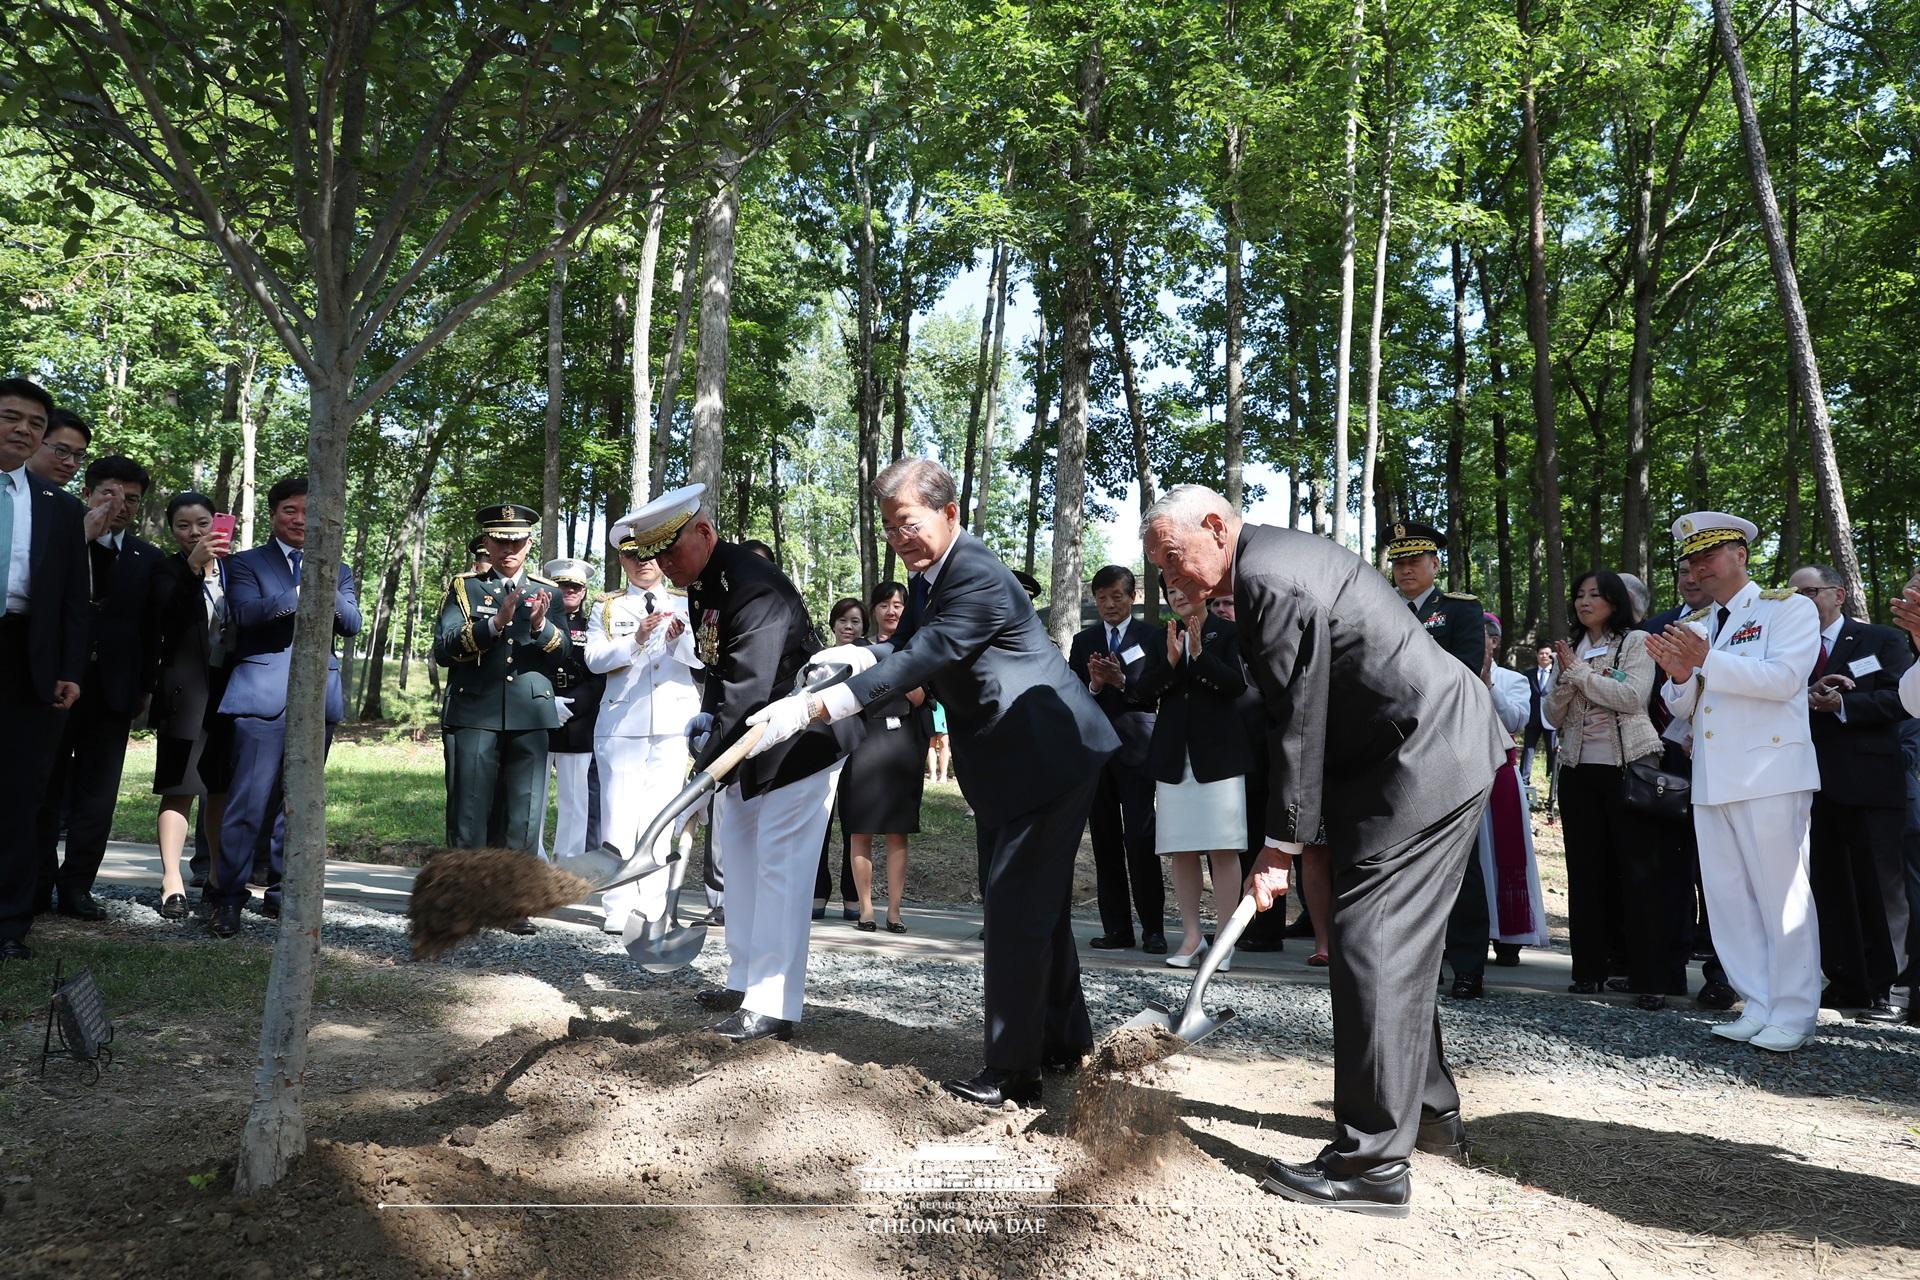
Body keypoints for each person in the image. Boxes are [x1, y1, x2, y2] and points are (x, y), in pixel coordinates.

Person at [1143, 484, 1506, 1216]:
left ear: (1216, 526)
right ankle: (1428, 1116)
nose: (1169, 579)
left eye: (1175, 558)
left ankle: (1373, 1167)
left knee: (1370, 941)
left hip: (1426, 757)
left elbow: (1298, 720)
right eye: (1159, 569)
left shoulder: (1270, 577)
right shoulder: (1260, 571)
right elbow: (1287, 709)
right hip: (1397, 761)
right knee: (1378, 944)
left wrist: (1278, 845)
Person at [747, 458, 1118, 1104]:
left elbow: (929, 654)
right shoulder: (928, 578)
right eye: (890, 529)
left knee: (1013, 907)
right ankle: (1062, 1040)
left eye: (909, 524)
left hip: (1045, 755)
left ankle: (1013, 1073)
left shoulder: (975, 574)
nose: (900, 540)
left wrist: (825, 703)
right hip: (1012, 761)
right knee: (1037, 910)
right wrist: (858, 655)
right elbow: (906, 644)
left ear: (950, 514)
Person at [638, 484, 850, 1044]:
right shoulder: (706, 583)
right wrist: (706, 719)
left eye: (670, 552)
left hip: (800, 742)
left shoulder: (754, 589)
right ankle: (743, 981)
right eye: (654, 556)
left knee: (779, 870)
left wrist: (700, 779)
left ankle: (774, 1005)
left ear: (704, 534)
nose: (663, 565)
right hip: (751, 741)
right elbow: (719, 669)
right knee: (742, 862)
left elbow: (750, 691)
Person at [1647, 511, 1821, 1052]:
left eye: (1708, 555)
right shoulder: (1702, 624)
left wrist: (1706, 661)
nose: (1698, 568)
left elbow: (1785, 680)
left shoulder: (1787, 608)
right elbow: (1684, 704)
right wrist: (1679, 676)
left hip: (1769, 771)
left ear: (1740, 556)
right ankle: (1758, 1002)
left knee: (1781, 896)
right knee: (1729, 899)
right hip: (1714, 776)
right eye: (1691, 560)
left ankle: (1794, 1012)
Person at [207, 475, 361, 937]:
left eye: (309, 512)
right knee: (247, 803)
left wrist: (323, 577)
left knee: (296, 806)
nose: (299, 520)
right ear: (274, 514)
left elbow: (351, 623)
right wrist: (299, 593)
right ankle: (228, 896)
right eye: (290, 510)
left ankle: (282, 896)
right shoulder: (245, 563)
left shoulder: (341, 568)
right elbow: (246, 614)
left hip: (318, 702)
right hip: (261, 697)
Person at [33, 455, 166, 919]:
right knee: (44, 787)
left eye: (132, 499)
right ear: (89, 492)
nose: (121, 505)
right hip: (52, 686)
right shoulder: (59, 541)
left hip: (114, 692)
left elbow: (152, 633)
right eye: (110, 493)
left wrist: (144, 688)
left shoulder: (147, 558)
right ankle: (36, 883)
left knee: (97, 794)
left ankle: (77, 888)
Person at [1545, 571, 1678, 1008]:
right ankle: (1588, 971)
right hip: (1579, 770)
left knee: (1639, 874)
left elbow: (1633, 698)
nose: (1585, 602)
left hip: (1628, 769)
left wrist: (1580, 676)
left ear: (1615, 601)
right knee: (1586, 873)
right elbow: (1551, 712)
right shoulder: (1573, 648)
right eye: (1579, 595)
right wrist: (1569, 681)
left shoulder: (1635, 642)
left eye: (1595, 595)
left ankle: (1649, 978)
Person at [434, 502, 568, 935]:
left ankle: (513, 904)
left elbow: (566, 653)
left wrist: (542, 625)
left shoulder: (549, 589)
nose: (508, 549)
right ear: (487, 544)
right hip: (476, 710)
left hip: (529, 713)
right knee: (469, 810)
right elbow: (444, 648)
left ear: (530, 543)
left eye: (516, 541)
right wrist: (494, 624)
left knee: (523, 815)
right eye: (499, 541)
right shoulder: (465, 587)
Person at [1789, 563, 1913, 1024]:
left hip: (1869, 785)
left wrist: (1842, 703)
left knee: (1881, 891)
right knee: (1828, 887)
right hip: (1808, 784)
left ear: (1838, 595)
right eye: (1793, 594)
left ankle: (1888, 989)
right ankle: (1844, 980)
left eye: (1810, 592)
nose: (1802, 601)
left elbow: (1899, 699)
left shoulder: (1880, 640)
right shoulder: (1789, 648)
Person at [0, 378, 88, 961]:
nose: (24, 429)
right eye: (12, 416)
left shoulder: (59, 506)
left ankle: (8, 927)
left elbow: (72, 599)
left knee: (17, 797)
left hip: (25, 656)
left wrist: (70, 668)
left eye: (35, 423)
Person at [1388, 520, 1493, 999]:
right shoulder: (1381, 607)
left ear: (1435, 564)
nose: (1405, 569)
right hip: (1390, 746)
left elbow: (1466, 672)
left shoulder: (1459, 611)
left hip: (1444, 742)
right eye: (1398, 561)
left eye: (1414, 560)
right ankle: (1409, 963)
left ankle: (1468, 963)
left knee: (1457, 859)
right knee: (1397, 859)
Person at [585, 523, 702, 934]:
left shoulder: (687, 602)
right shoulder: (608, 607)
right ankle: (617, 903)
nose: (644, 563)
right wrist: (635, 639)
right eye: (634, 556)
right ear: (622, 560)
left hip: (672, 721)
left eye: (650, 554)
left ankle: (652, 905)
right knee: (618, 815)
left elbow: (704, 660)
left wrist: (677, 641)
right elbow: (595, 660)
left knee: (661, 819)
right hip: (622, 723)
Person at [1130, 582, 1248, 969]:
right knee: (1181, 848)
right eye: (1170, 591)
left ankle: (1224, 943)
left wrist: (1198, 656)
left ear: (1205, 592)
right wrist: (1170, 661)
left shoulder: (1229, 631)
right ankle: (1192, 937)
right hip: (1173, 755)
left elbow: (1235, 685)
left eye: (1183, 589)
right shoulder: (1163, 634)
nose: (1177, 596)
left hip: (1217, 756)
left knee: (1222, 847)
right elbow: (1143, 693)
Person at [1069, 564, 1165, 954]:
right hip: (1096, 750)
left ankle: (1153, 929)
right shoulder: (1083, 640)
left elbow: (1158, 690)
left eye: (1117, 597)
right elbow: (1072, 693)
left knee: (1141, 836)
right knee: (1105, 838)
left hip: (1137, 748)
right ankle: (1116, 929)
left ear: (1133, 597)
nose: (1109, 605)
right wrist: (1094, 683)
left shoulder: (1153, 637)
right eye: (1102, 598)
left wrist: (1122, 681)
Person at [148, 491, 234, 920]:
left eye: (203, 523)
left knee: (220, 790)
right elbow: (164, 616)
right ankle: (172, 881)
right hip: (184, 694)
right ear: (173, 530)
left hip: (231, 693)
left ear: (217, 523)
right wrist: (192, 566)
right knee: (179, 789)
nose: (195, 532)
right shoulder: (165, 570)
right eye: (184, 525)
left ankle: (218, 878)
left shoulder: (237, 572)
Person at [841, 582, 928, 934]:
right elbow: (847, 696)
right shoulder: (858, 651)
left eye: (898, 605)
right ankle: (865, 909)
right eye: (884, 605)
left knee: (897, 831)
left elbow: (922, 698)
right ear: (873, 610)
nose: (891, 611)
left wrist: (897, 669)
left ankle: (894, 911)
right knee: (859, 829)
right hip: (863, 741)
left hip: (903, 742)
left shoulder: (917, 649)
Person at [1478, 615, 1549, 969]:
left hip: (1497, 774)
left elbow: (1515, 721)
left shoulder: (1514, 679)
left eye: (1483, 638)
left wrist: (1488, 682)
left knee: (1502, 855)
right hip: (1457, 772)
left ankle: (1508, 935)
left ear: (1494, 642)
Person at [538, 558, 603, 865]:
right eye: (563, 586)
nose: (570, 592)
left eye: (575, 587)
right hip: (537, 716)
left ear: (584, 591)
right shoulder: (533, 622)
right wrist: (545, 703)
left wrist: (571, 706)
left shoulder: (592, 626)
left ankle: (568, 864)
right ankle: (532, 861)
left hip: (577, 722)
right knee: (532, 799)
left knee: (576, 801)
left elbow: (599, 677)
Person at [1521, 645, 1556, 794]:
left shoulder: (1557, 675)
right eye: (1541, 653)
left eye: (1547, 654)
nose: (1544, 656)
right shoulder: (1528, 674)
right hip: (1533, 719)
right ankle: (1523, 781)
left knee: (1552, 751)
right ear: (1536, 655)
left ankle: (1553, 781)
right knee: (1528, 750)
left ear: (1552, 657)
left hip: (1551, 719)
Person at [32, 409, 90, 489]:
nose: (70, 463)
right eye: (62, 451)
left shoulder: (69, 501)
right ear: (34, 443)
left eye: (79, 455)